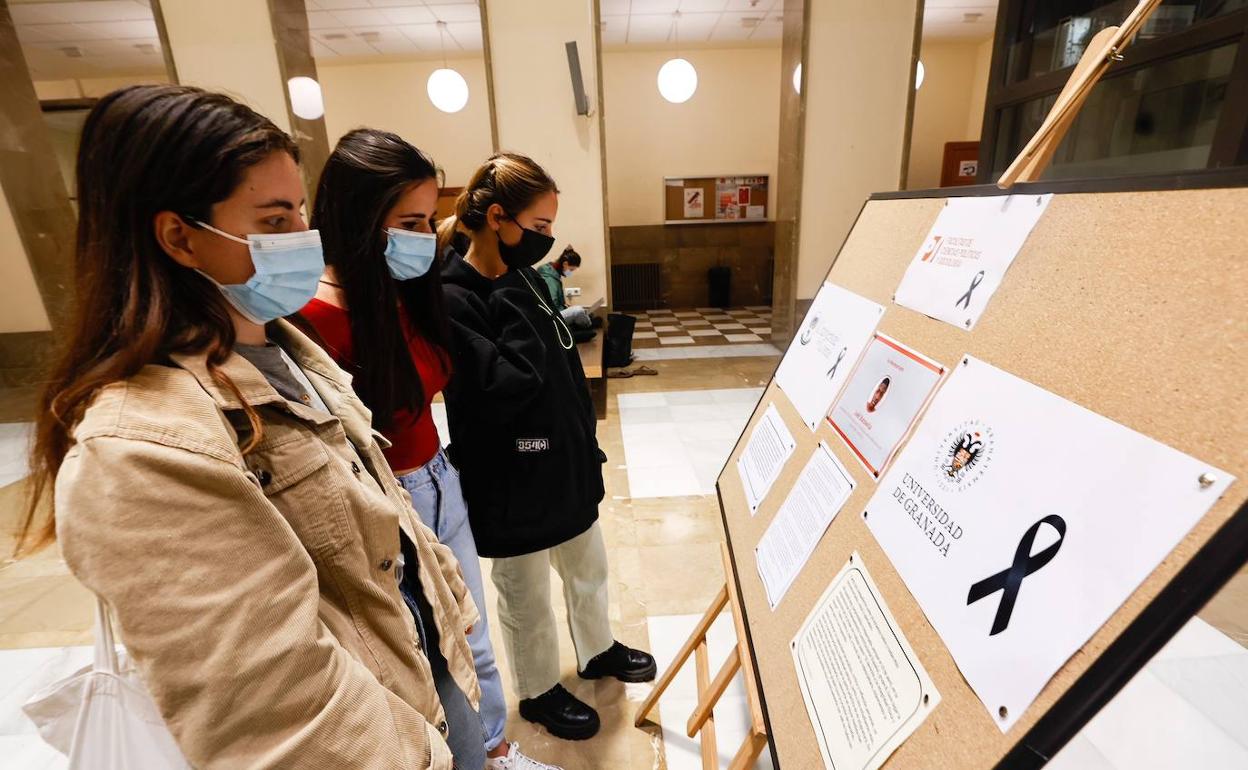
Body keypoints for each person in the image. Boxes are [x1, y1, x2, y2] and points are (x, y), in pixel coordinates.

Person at [19, 85, 481, 769]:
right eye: (272, 221)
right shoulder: (140, 447)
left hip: (417, 677)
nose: (300, 238)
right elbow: (279, 708)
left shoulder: (287, 347)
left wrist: (445, 605)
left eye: (299, 211)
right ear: (180, 235)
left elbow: (376, 518)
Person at [299, 128, 556, 770]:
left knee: (473, 632)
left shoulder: (402, 291)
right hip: (390, 493)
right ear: (359, 220)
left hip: (440, 475)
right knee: (426, 648)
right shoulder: (314, 315)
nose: (424, 236)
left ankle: (495, 749)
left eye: (428, 219)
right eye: (409, 222)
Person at [439, 153, 656, 740]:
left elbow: (555, 359)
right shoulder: (457, 296)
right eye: (537, 229)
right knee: (525, 590)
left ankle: (596, 649)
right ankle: (536, 690)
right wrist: (510, 302)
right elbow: (503, 386)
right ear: (496, 217)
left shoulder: (523, 280)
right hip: (511, 477)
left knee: (588, 567)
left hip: (563, 463)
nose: (546, 241)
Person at [535, 246, 591, 329]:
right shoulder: (549, 278)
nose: (570, 273)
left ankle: (587, 320)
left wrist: (565, 307)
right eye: (571, 270)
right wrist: (565, 309)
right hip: (549, 319)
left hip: (552, 315)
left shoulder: (553, 274)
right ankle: (589, 324)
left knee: (582, 311)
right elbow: (552, 306)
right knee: (578, 310)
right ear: (565, 264)